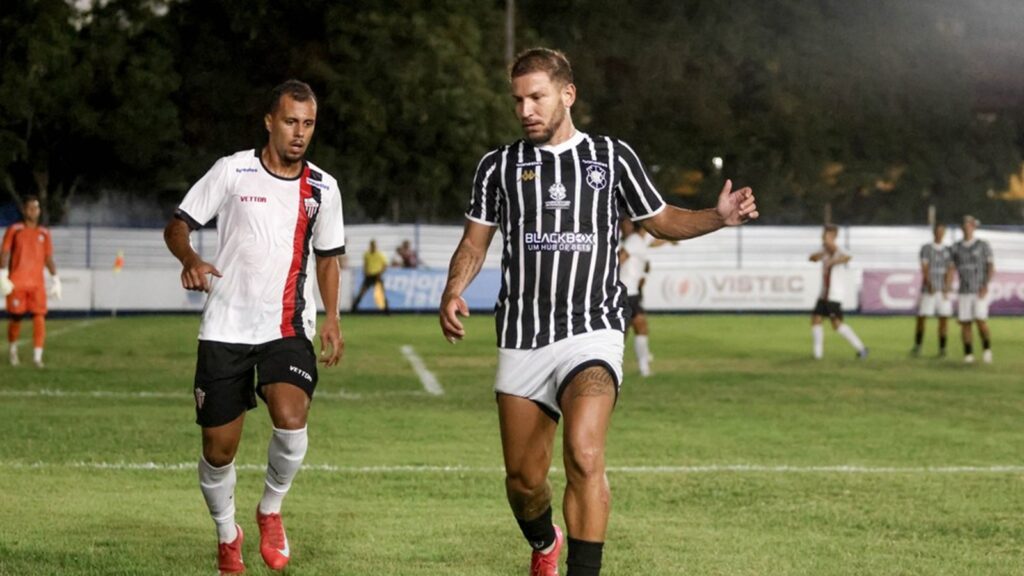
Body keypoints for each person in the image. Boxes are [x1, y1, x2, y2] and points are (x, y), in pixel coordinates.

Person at [438, 48, 757, 576]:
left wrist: (716, 216)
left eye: (537, 97)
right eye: (517, 100)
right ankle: (545, 542)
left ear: (568, 94)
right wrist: (454, 288)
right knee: (523, 481)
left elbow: (661, 219)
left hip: (593, 329)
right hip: (522, 334)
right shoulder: (498, 167)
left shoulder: (611, 158)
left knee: (585, 455)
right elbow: (475, 243)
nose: (525, 110)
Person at [163, 79, 346, 575]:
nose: (299, 133)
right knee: (218, 451)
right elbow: (178, 224)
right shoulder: (232, 170)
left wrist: (331, 316)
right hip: (225, 327)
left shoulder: (324, 188)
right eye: (290, 121)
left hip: (286, 325)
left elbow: (328, 258)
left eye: (308, 124)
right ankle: (228, 534)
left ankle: (270, 509)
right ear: (269, 121)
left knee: (291, 415)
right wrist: (190, 258)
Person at [1, 195, 61, 368]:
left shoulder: (44, 233)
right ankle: (13, 350)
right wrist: (2, 273)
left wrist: (56, 279)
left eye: (36, 208)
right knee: (16, 317)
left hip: (37, 284)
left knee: (39, 316)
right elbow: (5, 252)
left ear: (39, 211)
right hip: (17, 282)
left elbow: (48, 257)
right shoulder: (15, 230)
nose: (33, 211)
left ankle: (37, 357)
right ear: (24, 210)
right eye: (30, 208)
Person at [618, 218, 672, 377]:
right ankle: (638, 367)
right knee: (631, 331)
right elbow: (621, 257)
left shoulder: (641, 240)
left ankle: (643, 368)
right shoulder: (634, 240)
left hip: (631, 293)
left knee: (637, 328)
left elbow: (655, 242)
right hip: (626, 292)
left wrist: (672, 238)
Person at [809, 224, 868, 360]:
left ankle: (861, 348)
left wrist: (834, 260)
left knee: (836, 324)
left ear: (834, 236)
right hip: (824, 294)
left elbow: (848, 257)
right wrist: (820, 254)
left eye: (827, 235)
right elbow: (812, 258)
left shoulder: (840, 250)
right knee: (816, 320)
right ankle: (817, 355)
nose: (824, 237)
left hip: (834, 295)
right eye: (824, 234)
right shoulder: (823, 250)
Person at [949, 215, 994, 364]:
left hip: (979, 290)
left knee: (980, 320)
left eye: (970, 225)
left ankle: (987, 350)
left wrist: (985, 285)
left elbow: (990, 266)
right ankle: (968, 354)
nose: (967, 227)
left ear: (974, 227)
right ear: (962, 228)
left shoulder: (983, 245)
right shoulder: (956, 247)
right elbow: (951, 268)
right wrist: (948, 286)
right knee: (965, 322)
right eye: (965, 225)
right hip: (964, 291)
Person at [911, 223, 952, 357]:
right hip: (929, 290)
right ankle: (918, 346)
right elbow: (924, 267)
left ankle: (942, 348)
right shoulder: (926, 248)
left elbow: (950, 269)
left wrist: (947, 286)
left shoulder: (948, 250)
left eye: (942, 231)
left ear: (944, 233)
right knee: (922, 317)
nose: (939, 234)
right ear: (934, 233)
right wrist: (929, 283)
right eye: (937, 231)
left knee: (943, 318)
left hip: (942, 290)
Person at [352, 239, 389, 312]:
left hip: (377, 276)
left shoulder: (380, 254)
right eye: (372, 246)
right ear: (370, 246)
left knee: (381, 293)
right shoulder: (367, 254)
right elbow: (365, 264)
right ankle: (354, 308)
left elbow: (385, 265)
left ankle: (387, 310)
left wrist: (380, 272)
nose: (373, 247)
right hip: (369, 276)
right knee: (362, 292)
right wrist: (365, 271)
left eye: (374, 246)